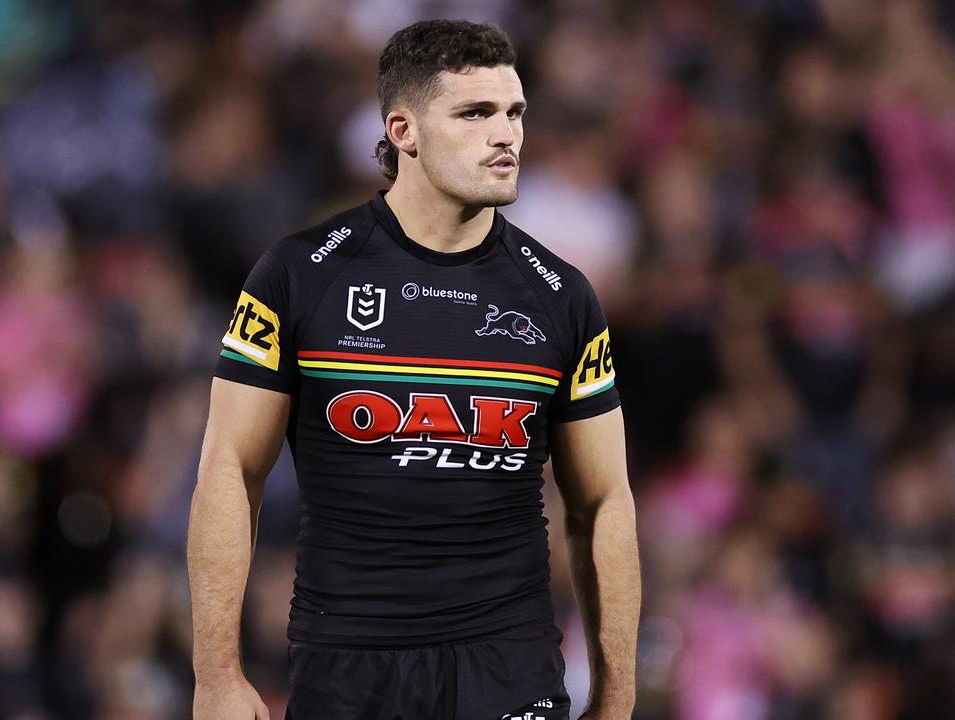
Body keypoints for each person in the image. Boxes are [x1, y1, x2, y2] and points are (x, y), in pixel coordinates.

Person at [188, 19, 640, 720]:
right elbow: (228, 470)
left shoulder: (563, 297)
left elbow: (603, 500)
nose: (507, 135)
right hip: (349, 672)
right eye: (475, 113)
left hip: (510, 671)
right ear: (404, 131)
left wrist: (618, 695)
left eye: (514, 112)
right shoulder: (299, 274)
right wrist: (216, 674)